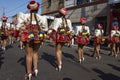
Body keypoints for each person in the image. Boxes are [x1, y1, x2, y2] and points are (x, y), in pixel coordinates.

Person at [19, 1, 47, 80]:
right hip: (38, 36)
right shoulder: (41, 17)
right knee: (35, 52)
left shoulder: (25, 16)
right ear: (37, 9)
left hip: (28, 36)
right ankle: (35, 69)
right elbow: (45, 28)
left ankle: (29, 73)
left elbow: (19, 27)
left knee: (28, 55)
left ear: (30, 9)